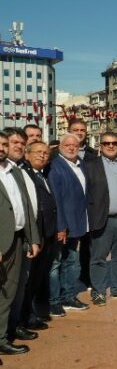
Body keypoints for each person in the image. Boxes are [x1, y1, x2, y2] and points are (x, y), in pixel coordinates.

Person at [0, 131, 40, 357]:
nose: (3, 148)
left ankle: (2, 338)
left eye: (5, 144)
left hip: (15, 241)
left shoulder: (14, 171)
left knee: (9, 292)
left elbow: (25, 207)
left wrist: (33, 239)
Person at [83, 133, 117, 306]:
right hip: (101, 218)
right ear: (100, 145)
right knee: (99, 256)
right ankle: (98, 291)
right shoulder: (91, 165)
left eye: (114, 143)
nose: (110, 146)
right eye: (107, 143)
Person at [46, 134, 90, 315]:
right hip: (62, 225)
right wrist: (61, 226)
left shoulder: (80, 164)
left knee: (71, 262)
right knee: (55, 264)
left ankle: (68, 296)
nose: (72, 148)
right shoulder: (55, 166)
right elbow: (56, 199)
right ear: (60, 146)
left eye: (75, 145)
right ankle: (54, 301)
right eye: (68, 145)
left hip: (77, 224)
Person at [19, 142, 56, 332]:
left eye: (46, 153)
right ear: (27, 154)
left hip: (47, 234)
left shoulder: (44, 175)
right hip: (34, 236)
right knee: (28, 279)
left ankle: (30, 315)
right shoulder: (24, 174)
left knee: (37, 279)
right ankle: (25, 318)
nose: (42, 156)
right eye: (38, 152)